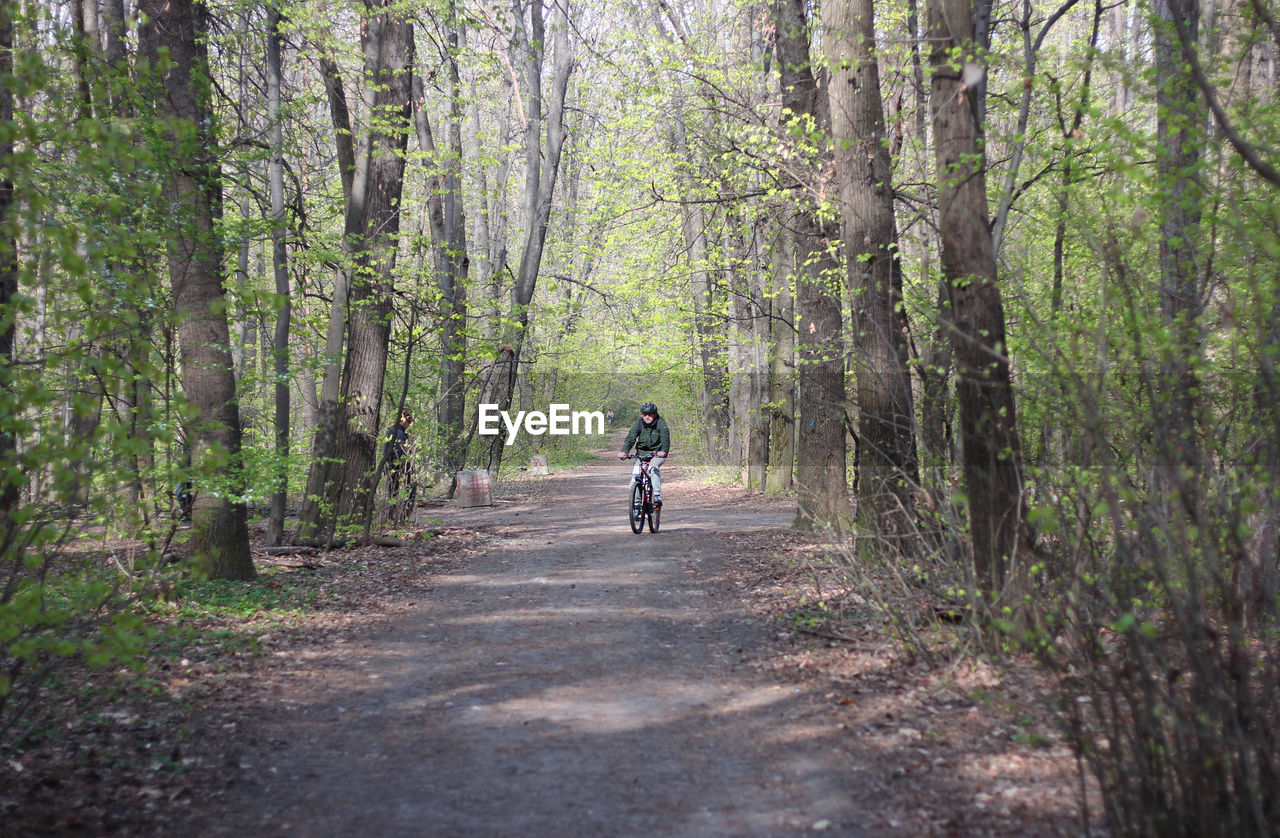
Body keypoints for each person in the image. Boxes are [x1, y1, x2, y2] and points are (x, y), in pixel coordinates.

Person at [619, 401, 670, 507]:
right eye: (644, 414)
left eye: (650, 414)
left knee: (653, 467)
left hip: (657, 453)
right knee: (635, 477)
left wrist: (663, 451)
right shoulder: (639, 423)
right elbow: (631, 437)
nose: (647, 417)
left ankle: (656, 495)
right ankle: (636, 504)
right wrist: (624, 451)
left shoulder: (661, 423)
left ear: (655, 414)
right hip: (641, 454)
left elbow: (665, 439)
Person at [384, 408, 414, 512]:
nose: (409, 424)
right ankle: (405, 512)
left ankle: (395, 514)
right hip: (398, 466)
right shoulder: (397, 433)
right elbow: (400, 452)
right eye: (408, 422)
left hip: (395, 466)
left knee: (393, 490)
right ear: (402, 420)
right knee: (408, 487)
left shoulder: (394, 432)